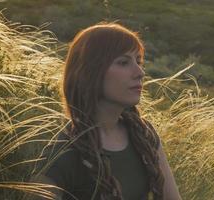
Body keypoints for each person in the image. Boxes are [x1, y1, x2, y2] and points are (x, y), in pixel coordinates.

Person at [32, 22, 182, 200]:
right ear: (91, 72)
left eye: (139, 61)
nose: (140, 72)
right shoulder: (62, 155)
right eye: (123, 62)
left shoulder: (143, 134)